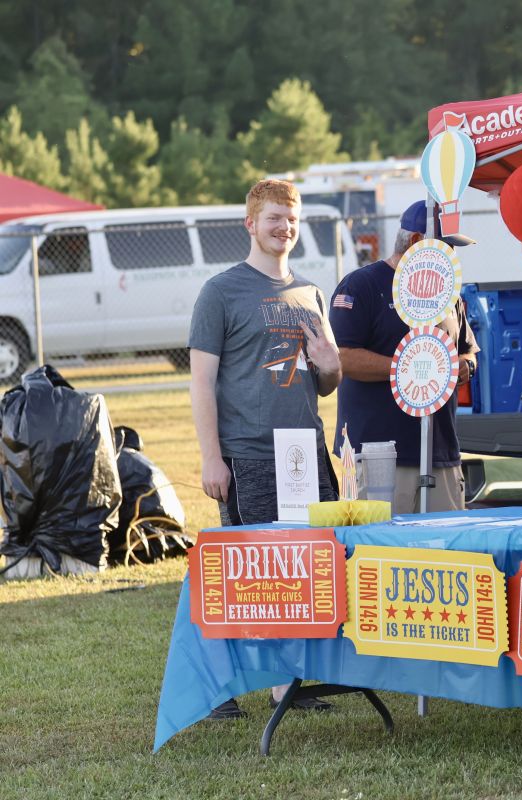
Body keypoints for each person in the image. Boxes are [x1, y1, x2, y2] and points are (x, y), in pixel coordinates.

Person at [189, 178, 341, 718]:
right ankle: (218, 686)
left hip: (305, 451)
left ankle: (285, 685)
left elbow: (324, 381)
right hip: (248, 453)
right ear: (251, 224)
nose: (285, 228)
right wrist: (211, 457)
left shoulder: (311, 294)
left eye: (292, 219)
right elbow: (202, 382)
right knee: (247, 571)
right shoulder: (222, 292)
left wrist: (333, 369)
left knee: (303, 569)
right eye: (274, 218)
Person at [329, 200, 479, 514]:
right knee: (383, 554)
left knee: (450, 556)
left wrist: (465, 366)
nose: (450, 257)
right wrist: (411, 368)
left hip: (441, 454)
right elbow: (341, 357)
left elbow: (468, 349)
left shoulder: (447, 291)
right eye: (445, 247)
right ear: (414, 242)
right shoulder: (363, 286)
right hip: (380, 455)